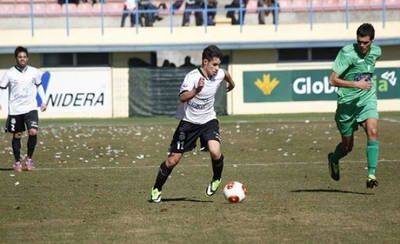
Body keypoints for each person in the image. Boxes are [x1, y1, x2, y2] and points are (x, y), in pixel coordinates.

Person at [150, 45, 235, 202]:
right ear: (205, 62)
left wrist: (232, 84)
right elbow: (182, 97)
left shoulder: (219, 74)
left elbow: (226, 74)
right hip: (189, 122)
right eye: (214, 65)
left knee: (215, 152)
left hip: (209, 120)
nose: (217, 68)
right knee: (173, 160)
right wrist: (196, 91)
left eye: (219, 65)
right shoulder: (192, 77)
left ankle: (216, 179)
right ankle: (157, 188)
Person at [328, 23, 381, 188]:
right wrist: (356, 84)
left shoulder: (377, 52)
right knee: (347, 146)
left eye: (366, 42)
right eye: (359, 42)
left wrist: (364, 85)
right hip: (347, 104)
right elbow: (332, 80)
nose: (362, 45)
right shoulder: (347, 53)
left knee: (373, 131)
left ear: (372, 41)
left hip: (367, 100)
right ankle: (334, 159)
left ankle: (371, 174)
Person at [0, 46, 47, 172]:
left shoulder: (34, 72)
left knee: (33, 132)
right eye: (20, 57)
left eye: (24, 57)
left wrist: (44, 101)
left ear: (27, 58)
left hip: (30, 108)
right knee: (17, 135)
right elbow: (2, 88)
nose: (22, 59)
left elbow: (39, 86)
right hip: (15, 110)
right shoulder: (9, 73)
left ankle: (29, 159)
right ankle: (17, 162)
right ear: (16, 58)